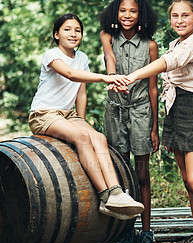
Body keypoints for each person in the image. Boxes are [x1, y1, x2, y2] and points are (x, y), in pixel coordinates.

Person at [125, 0, 193, 243]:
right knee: (186, 180)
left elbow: (169, 63)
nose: (179, 21)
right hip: (177, 108)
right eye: (175, 16)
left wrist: (133, 76)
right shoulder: (175, 42)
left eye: (185, 16)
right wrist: (168, 121)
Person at [28, 13, 144, 221]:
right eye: (67, 29)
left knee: (98, 138)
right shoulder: (51, 55)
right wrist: (106, 77)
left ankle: (116, 193)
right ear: (56, 34)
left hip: (68, 114)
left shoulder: (82, 58)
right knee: (81, 138)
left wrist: (80, 120)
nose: (73, 34)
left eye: (77, 30)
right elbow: (71, 75)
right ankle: (104, 196)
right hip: (43, 113)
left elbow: (80, 92)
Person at [99, 0, 160, 243]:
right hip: (115, 111)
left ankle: (146, 235)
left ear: (141, 15)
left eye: (132, 11)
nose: (127, 15)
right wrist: (112, 78)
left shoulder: (151, 46)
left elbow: (153, 89)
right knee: (122, 176)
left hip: (141, 112)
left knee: (142, 174)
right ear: (116, 13)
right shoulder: (106, 36)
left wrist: (155, 127)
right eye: (122, 10)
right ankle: (126, 234)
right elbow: (110, 58)